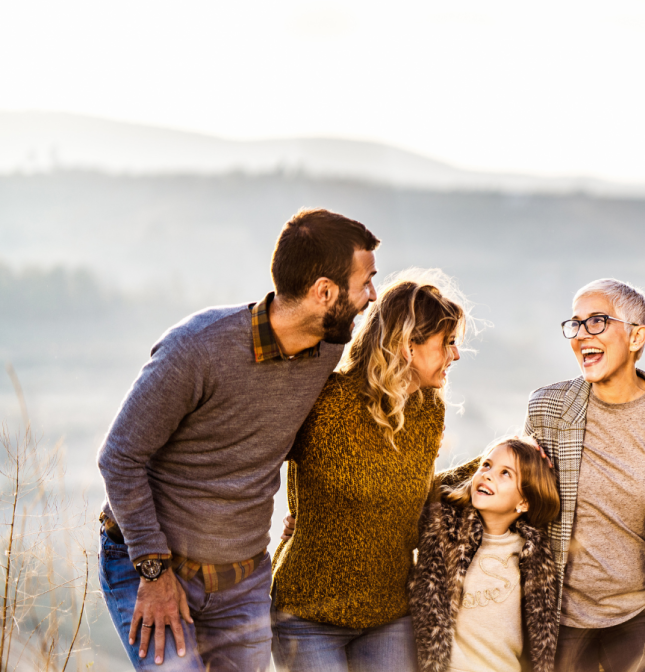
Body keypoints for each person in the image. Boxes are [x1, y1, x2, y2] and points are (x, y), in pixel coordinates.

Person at [96, 208, 379, 671]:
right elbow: (119, 457)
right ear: (324, 293)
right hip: (153, 565)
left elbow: (295, 434)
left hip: (243, 582)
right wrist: (154, 570)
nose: (372, 295)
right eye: (365, 282)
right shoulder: (197, 348)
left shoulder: (329, 348)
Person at [270, 269, 471, 672]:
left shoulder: (429, 409)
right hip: (307, 615)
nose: (455, 355)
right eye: (446, 343)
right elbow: (252, 461)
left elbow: (413, 498)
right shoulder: (326, 400)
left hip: (390, 613)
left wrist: (486, 470)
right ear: (407, 344)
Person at [526, 278, 645, 672]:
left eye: (597, 322)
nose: (581, 335)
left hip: (640, 614)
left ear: (637, 336)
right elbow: (518, 490)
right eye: (575, 324)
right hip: (559, 617)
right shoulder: (548, 410)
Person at [409, 436, 562, 672]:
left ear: (524, 502)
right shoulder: (443, 531)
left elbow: (539, 635)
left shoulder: (534, 555)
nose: (488, 474)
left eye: (506, 474)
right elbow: (425, 490)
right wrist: (489, 465)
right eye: (486, 465)